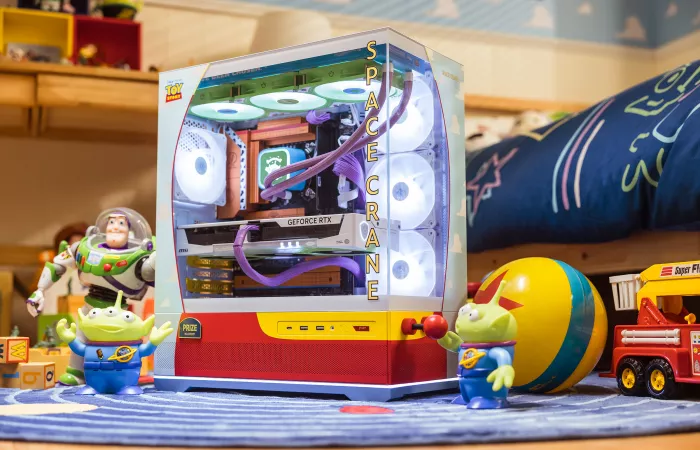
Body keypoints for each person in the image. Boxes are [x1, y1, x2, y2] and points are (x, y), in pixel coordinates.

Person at [26, 207, 156, 386]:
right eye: (111, 222)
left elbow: (153, 275)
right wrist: (40, 290)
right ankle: (76, 372)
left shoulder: (141, 255)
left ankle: (123, 376)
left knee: (121, 344)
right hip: (90, 306)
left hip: (119, 310)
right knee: (80, 337)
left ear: (129, 230)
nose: (115, 227)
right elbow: (57, 265)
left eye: (121, 223)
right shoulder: (85, 248)